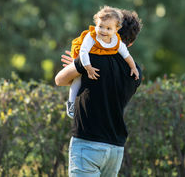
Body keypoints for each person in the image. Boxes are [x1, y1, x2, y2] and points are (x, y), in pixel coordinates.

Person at [55, 9, 143, 177]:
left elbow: (59, 80)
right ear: (130, 43)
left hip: (88, 142)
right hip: (115, 148)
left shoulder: (92, 56)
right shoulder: (136, 71)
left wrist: (77, 67)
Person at [65, 6, 139, 118]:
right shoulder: (135, 74)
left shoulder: (100, 55)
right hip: (113, 129)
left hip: (87, 126)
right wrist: (83, 65)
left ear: (116, 30)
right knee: (78, 79)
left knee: (77, 79)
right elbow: (84, 51)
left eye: (108, 28)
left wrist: (77, 67)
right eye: (101, 27)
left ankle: (71, 102)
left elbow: (59, 80)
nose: (104, 31)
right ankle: (71, 103)